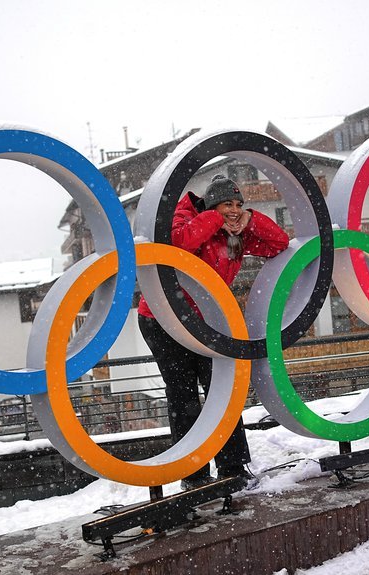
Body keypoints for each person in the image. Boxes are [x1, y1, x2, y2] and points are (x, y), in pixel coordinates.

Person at [138, 174, 290, 490]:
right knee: (183, 395)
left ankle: (233, 468)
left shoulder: (235, 235)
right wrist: (214, 219)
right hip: (165, 319)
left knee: (222, 392)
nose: (233, 210)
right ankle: (193, 475)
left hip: (210, 322)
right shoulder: (185, 216)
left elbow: (279, 243)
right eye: (226, 204)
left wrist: (249, 220)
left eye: (238, 204)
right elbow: (179, 242)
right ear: (210, 205)